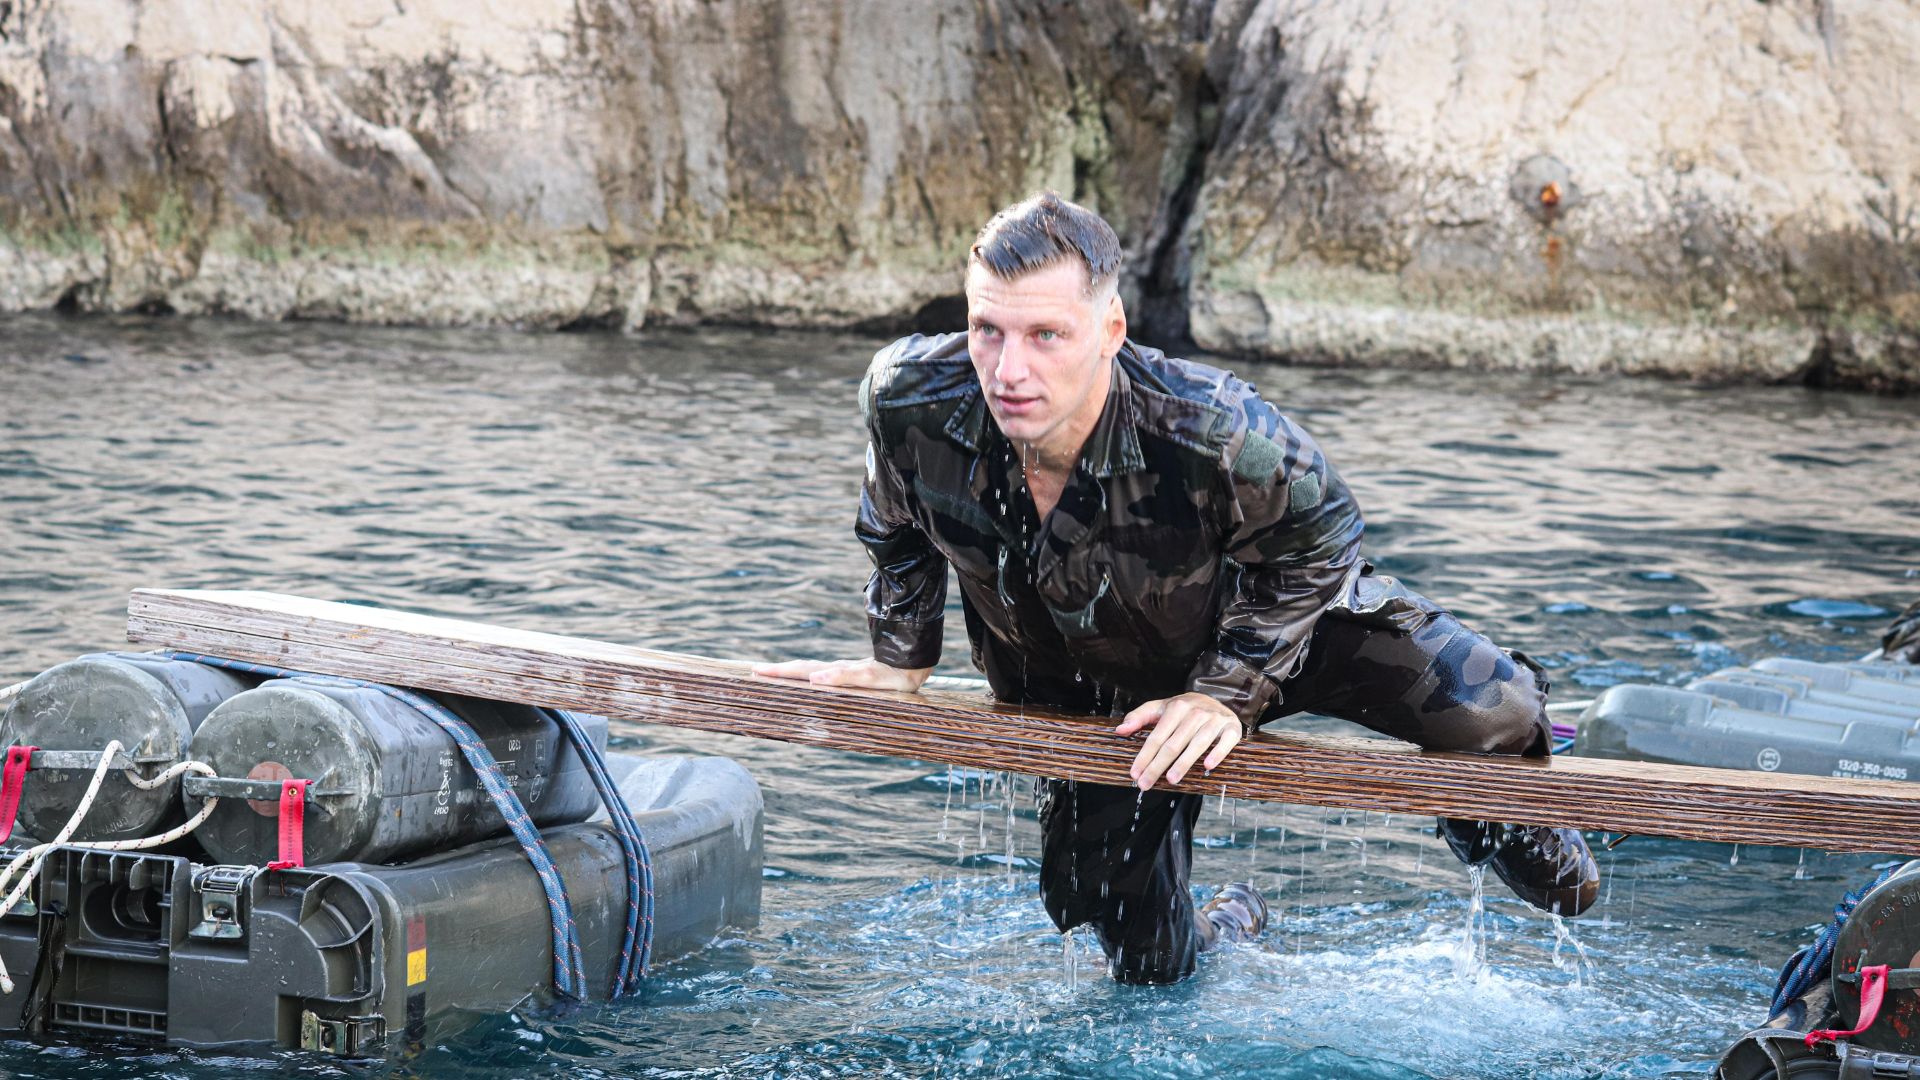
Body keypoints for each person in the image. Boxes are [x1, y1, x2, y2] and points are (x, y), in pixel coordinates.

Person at [755, 191, 1599, 985]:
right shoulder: (909, 397)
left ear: (1110, 327)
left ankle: (1501, 819)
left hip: (1270, 636)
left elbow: (1324, 537)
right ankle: (1226, 925)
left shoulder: (1213, 422)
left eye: (1046, 334)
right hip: (1101, 683)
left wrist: (1225, 693)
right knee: (1143, 962)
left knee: (1498, 714)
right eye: (987, 330)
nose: (1009, 369)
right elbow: (892, 524)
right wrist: (901, 659)